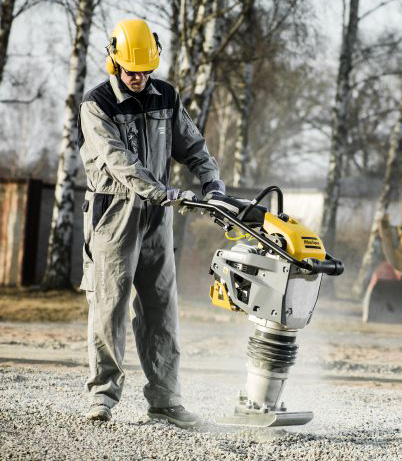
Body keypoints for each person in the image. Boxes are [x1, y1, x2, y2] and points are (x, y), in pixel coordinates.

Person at [78, 18, 227, 428]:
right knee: (108, 308)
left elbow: (191, 143)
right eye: (131, 71)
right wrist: (163, 191)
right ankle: (103, 398)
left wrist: (210, 179)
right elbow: (119, 162)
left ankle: (165, 401)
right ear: (114, 63)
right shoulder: (96, 105)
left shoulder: (166, 97)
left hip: (157, 220)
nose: (139, 78)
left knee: (162, 309)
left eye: (145, 70)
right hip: (114, 214)